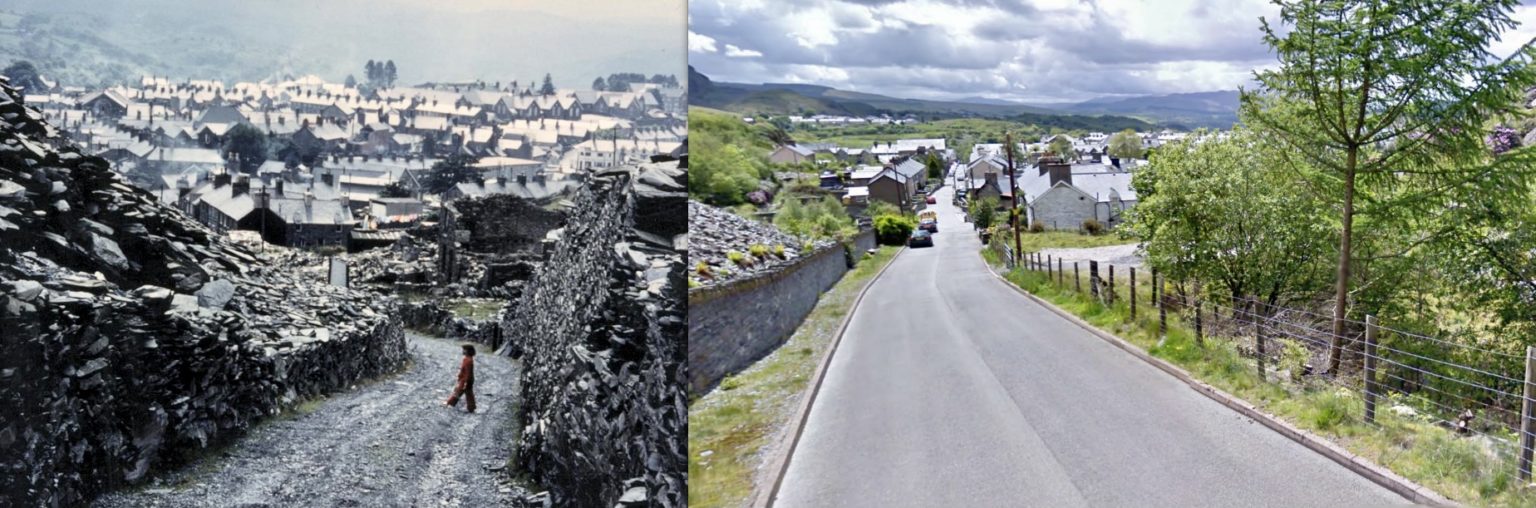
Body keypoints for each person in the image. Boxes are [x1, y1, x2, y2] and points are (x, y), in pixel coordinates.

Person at [445, 344, 476, 413]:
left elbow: (468, 373)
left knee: (459, 391)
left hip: (465, 380)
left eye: (464, 350)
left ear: (468, 351)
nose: (463, 351)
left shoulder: (468, 361)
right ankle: (471, 407)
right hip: (466, 379)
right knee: (468, 393)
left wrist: (466, 382)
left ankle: (450, 403)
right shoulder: (467, 359)